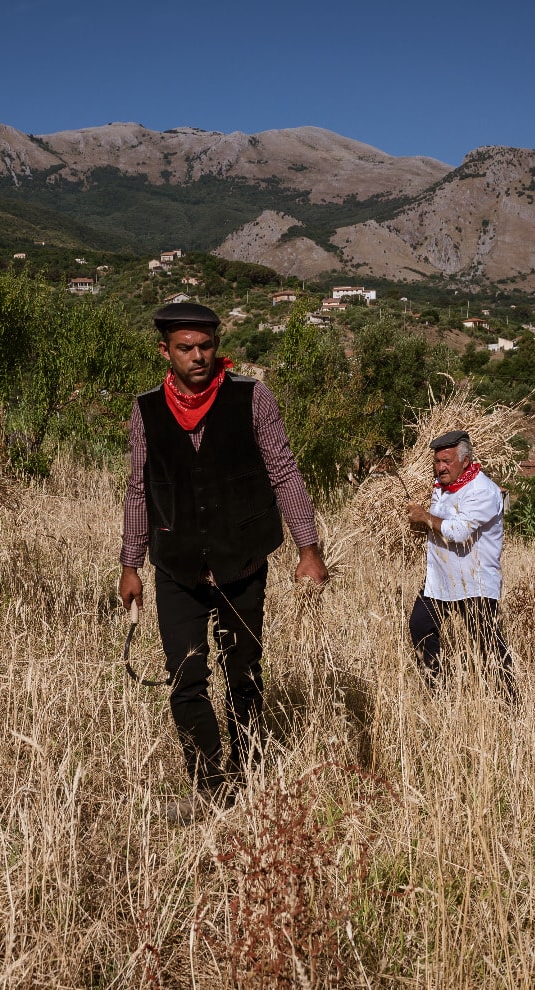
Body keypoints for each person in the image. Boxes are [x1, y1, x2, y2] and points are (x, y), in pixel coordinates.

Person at [119, 301, 327, 812]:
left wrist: (309, 548)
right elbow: (138, 490)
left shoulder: (252, 397)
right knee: (185, 678)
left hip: (243, 561)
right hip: (176, 565)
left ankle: (251, 778)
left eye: (206, 346)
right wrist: (130, 563)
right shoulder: (146, 410)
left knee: (245, 675)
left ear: (218, 346)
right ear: (164, 351)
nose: (198, 357)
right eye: (185, 348)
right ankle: (213, 787)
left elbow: (284, 472)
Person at [406, 430, 517, 700]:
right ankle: (438, 691)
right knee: (420, 625)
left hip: (474, 581)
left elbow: (458, 532)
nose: (440, 467)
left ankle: (510, 704)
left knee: (488, 646)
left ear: (465, 461)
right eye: (437, 461)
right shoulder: (441, 488)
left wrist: (423, 517)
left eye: (447, 461)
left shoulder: (483, 491)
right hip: (441, 579)